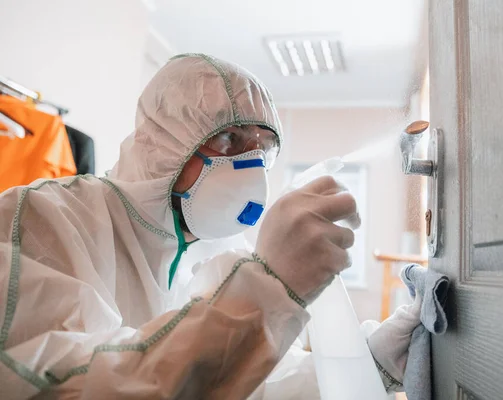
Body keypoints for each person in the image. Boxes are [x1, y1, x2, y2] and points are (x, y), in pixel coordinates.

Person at [0, 54, 420, 399]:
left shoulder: (224, 248)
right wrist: (264, 291)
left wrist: (372, 359)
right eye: (230, 140)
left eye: (264, 149)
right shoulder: (47, 218)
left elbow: (254, 383)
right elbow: (74, 387)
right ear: (164, 142)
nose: (251, 166)